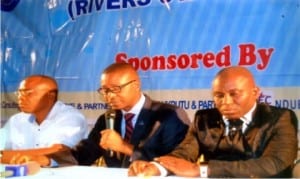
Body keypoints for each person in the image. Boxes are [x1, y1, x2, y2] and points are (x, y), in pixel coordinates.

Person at [128, 66, 298, 178]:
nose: (226, 102)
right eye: (219, 96)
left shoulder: (281, 118)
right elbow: (183, 153)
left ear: (256, 93)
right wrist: (156, 167)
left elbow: (274, 163)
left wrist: (202, 170)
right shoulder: (204, 118)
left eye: (235, 94)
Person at [69, 62, 191, 167]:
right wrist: (55, 156)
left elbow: (177, 161)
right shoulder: (107, 119)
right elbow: (85, 154)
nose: (109, 96)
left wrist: (126, 148)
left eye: (116, 89)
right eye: (105, 90)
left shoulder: (169, 115)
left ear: (136, 86)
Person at [1, 75, 88, 167]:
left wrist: (13, 155)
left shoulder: (71, 117)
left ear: (50, 96)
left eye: (28, 93)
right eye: (19, 93)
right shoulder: (16, 120)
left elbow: (59, 152)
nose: (20, 98)